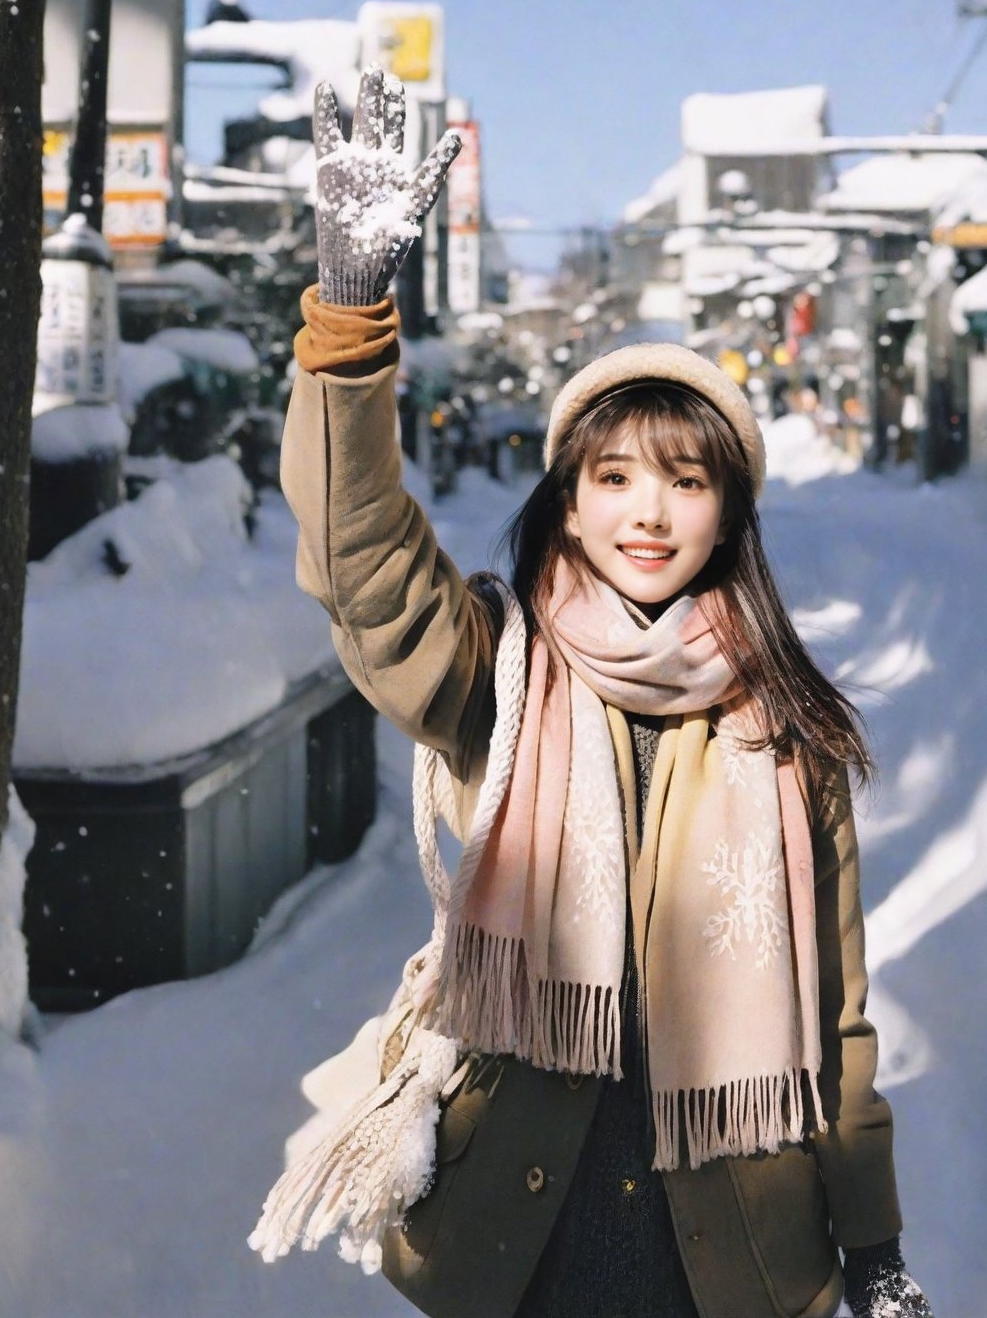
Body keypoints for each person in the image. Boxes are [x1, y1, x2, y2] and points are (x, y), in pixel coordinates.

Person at [271, 68, 935, 1318]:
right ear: (567, 504)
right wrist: (348, 333)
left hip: (731, 1240)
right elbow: (358, 566)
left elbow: (837, 1024)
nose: (647, 511)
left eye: (684, 481)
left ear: (729, 509)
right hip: (522, 1233)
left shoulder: (791, 727)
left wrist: (875, 1245)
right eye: (615, 476)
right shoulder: (497, 670)